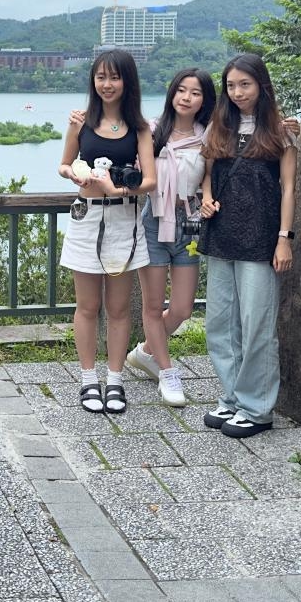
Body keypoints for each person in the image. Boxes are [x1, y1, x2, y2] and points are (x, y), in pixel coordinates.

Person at [198, 53, 297, 438]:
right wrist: (206, 197)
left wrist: (284, 239)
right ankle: (232, 398)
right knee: (220, 324)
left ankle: (257, 409)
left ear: (261, 85)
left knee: (257, 325)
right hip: (221, 235)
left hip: (261, 240)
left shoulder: (280, 132)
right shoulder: (219, 127)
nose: (237, 92)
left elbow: (288, 189)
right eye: (231, 85)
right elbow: (207, 174)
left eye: (246, 84)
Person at [59, 49, 156, 414]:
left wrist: (120, 189)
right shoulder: (80, 122)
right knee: (87, 307)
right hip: (86, 218)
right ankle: (88, 381)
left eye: (114, 77)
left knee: (117, 309)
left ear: (127, 81)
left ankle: (114, 380)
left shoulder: (140, 128)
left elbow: (150, 180)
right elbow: (63, 164)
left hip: (123, 219)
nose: (107, 84)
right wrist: (76, 174)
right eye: (101, 77)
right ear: (93, 81)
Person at [123, 68, 217, 407]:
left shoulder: (208, 137)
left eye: (195, 92)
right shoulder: (151, 131)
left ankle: (146, 352)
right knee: (152, 305)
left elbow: (210, 175)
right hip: (153, 220)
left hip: (189, 222)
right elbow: (134, 170)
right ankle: (167, 372)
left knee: (181, 308)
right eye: (181, 90)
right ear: (172, 94)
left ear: (204, 99)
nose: (187, 98)